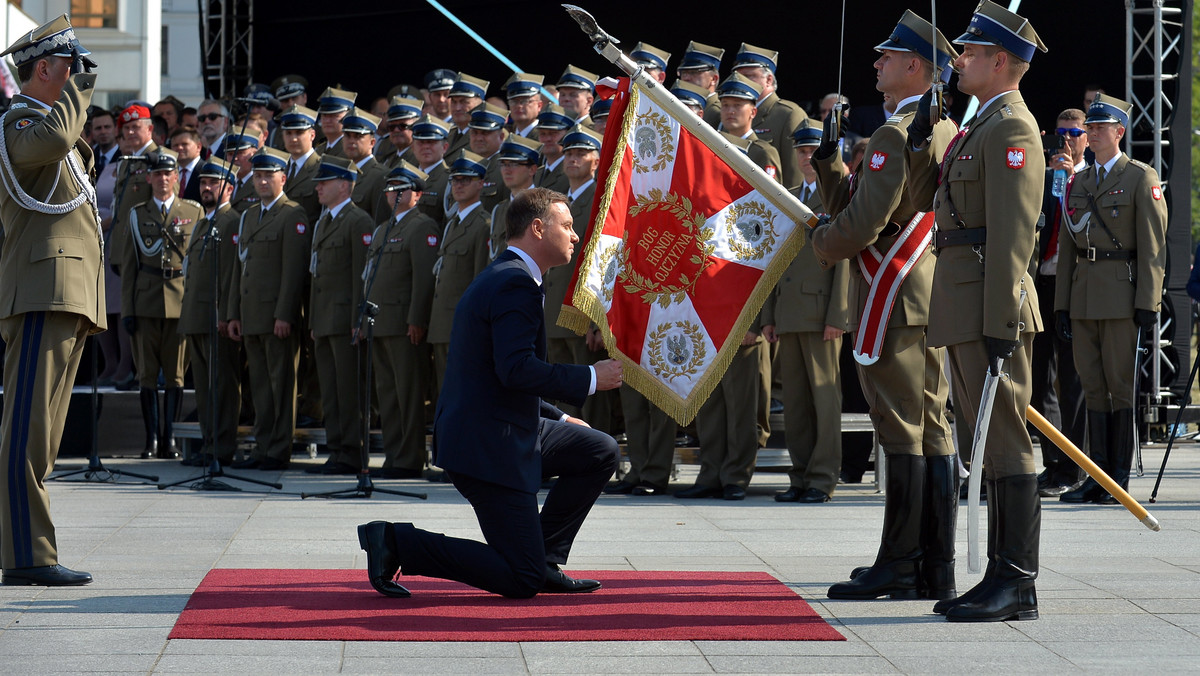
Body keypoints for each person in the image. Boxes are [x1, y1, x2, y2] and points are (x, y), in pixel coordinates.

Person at [357, 187, 623, 599]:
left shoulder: (509, 277)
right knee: (521, 580)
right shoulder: (513, 285)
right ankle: (396, 542)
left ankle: (545, 557)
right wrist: (590, 377)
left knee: (599, 449)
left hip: (505, 427)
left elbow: (499, 374)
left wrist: (558, 416)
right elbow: (516, 370)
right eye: (567, 226)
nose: (575, 236)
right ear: (537, 228)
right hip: (487, 448)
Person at [904, 0, 1047, 622]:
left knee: (1006, 442)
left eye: (970, 51)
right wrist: (916, 148)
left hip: (990, 304)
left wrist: (998, 323)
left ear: (1002, 62)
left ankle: (1017, 581)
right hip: (964, 301)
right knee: (983, 443)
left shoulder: (1013, 128)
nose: (958, 60)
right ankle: (998, 573)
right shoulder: (978, 125)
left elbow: (1014, 236)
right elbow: (937, 211)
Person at [0, 14, 102, 586]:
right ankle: (26, 556)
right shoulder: (18, 123)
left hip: (64, 291)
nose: (79, 76)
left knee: (44, 435)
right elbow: (59, 139)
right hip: (42, 289)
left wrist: (72, 85)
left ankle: (29, 551)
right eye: (70, 65)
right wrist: (77, 88)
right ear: (45, 69)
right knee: (26, 431)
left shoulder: (40, 125)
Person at [1055, 95, 1167, 505]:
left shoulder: (1140, 176)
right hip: (1084, 294)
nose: (1093, 133)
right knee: (1092, 386)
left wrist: (1148, 302)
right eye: (1091, 127)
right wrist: (1062, 304)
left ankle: (1117, 475)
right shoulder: (1079, 182)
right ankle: (1095, 474)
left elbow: (1154, 247)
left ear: (1119, 132)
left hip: (1122, 295)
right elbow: (1068, 247)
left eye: (1101, 127)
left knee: (1120, 387)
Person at [763, 121, 849, 504]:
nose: (806, 157)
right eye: (801, 151)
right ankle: (799, 475)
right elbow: (774, 261)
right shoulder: (789, 195)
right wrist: (768, 314)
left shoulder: (839, 195)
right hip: (789, 312)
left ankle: (821, 477)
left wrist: (839, 315)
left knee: (823, 400)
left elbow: (845, 259)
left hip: (820, 314)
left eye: (813, 150)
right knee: (796, 401)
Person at [226, 147, 312, 471]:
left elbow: (293, 272)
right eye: (258, 175)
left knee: (281, 386)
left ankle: (278, 450)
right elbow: (240, 269)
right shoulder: (249, 215)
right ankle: (262, 447)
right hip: (251, 316)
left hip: (276, 317)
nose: (262, 181)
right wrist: (234, 313)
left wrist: (285, 314)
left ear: (282, 178)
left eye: (268, 175)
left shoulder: (293, 214)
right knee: (260, 387)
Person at [120, 149, 203, 460]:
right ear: (148, 178)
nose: (163, 179)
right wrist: (127, 310)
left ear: (177, 178)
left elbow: (199, 264)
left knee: (176, 376)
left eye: (168, 174)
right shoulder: (136, 214)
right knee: (146, 374)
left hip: (180, 301)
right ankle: (151, 440)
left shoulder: (193, 213)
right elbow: (129, 267)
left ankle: (171, 439)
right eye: (157, 174)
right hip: (145, 302)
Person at [364, 164, 440, 479]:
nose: (394, 194)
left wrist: (416, 319)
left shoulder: (421, 226)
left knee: (408, 394)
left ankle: (409, 458)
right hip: (379, 322)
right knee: (388, 394)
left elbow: (423, 280)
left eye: (402, 189)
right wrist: (361, 318)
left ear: (417, 194)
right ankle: (394, 455)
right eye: (390, 189)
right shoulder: (383, 229)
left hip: (403, 325)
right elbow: (368, 277)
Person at [1031, 109, 1088, 496]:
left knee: (1072, 380)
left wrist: (1068, 178)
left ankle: (1076, 467)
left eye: (1075, 133)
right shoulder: (1046, 177)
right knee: (1037, 380)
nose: (1067, 140)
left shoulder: (1089, 178)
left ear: (1087, 137)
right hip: (1043, 283)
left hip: (1075, 286)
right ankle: (1053, 461)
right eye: (1061, 132)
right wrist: (1049, 178)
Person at [305, 156, 375, 475]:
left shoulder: (357, 221)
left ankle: (352, 451)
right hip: (324, 321)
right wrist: (314, 322)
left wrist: (357, 320)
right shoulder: (324, 221)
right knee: (331, 392)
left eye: (325, 182)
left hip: (345, 322)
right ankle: (336, 449)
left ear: (344, 185)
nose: (318, 187)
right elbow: (317, 276)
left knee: (349, 391)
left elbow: (361, 277)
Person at [179, 157, 242, 466]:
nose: (205, 188)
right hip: (196, 315)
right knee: (204, 387)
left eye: (213, 183)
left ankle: (221, 446)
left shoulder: (231, 221)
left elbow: (230, 274)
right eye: (203, 183)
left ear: (229, 188)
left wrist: (227, 314)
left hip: (216, 317)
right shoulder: (204, 220)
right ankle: (209, 443)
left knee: (221, 385)